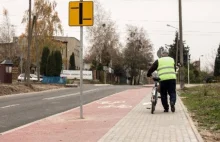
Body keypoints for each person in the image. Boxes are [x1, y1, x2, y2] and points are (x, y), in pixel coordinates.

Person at [147, 48, 177, 112]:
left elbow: (152, 68)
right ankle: (172, 102)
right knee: (172, 92)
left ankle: (166, 108)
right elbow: (174, 69)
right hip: (172, 78)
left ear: (162, 55)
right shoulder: (172, 60)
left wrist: (148, 74)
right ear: (167, 54)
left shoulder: (159, 60)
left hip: (163, 79)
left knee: (163, 94)